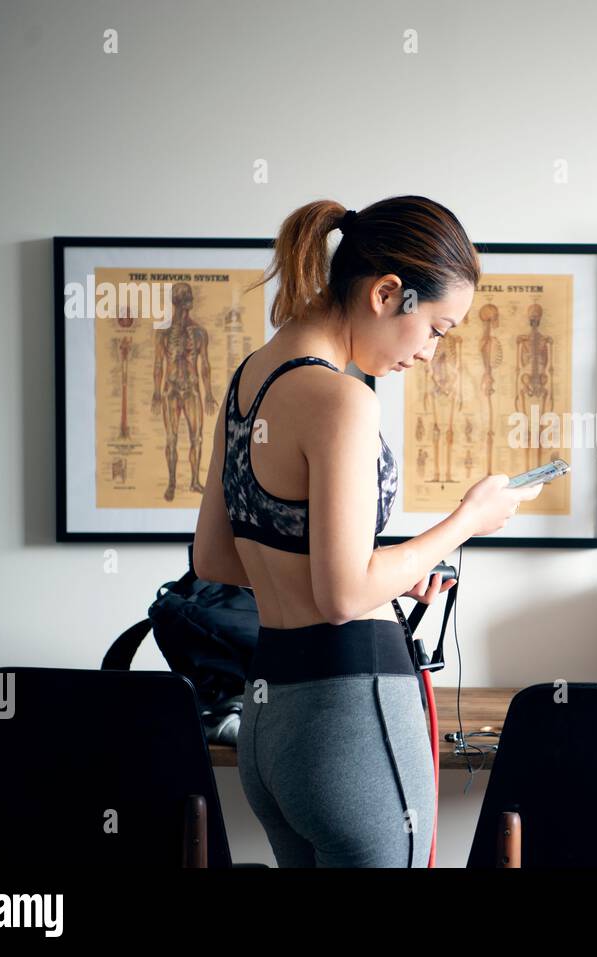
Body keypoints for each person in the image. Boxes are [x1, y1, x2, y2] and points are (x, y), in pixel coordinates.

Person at [191, 195, 542, 867]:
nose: (433, 353)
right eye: (438, 327)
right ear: (388, 293)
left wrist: (392, 572)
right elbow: (345, 595)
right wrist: (468, 520)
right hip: (351, 722)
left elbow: (214, 556)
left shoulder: (249, 382)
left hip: (271, 728)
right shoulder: (342, 398)